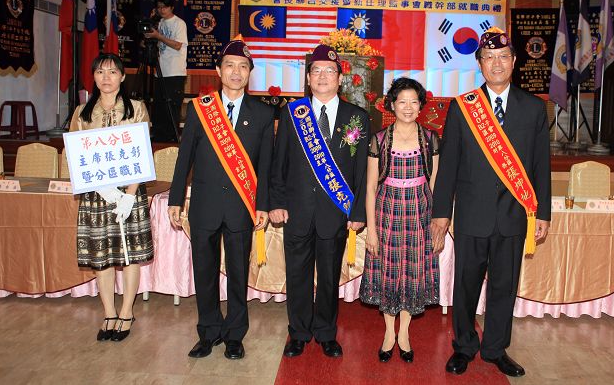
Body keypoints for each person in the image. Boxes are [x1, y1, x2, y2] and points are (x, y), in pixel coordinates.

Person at [432, 27, 551, 378]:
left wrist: (542, 212)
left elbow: (541, 165)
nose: (496, 64)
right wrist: (441, 213)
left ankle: (496, 348)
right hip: (472, 214)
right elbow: (449, 165)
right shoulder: (463, 107)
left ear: (514, 62)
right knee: (465, 285)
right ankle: (464, 346)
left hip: (514, 215)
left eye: (503, 57)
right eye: (489, 58)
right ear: (480, 64)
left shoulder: (534, 108)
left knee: (504, 286)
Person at [168, 40, 273, 360]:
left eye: (243, 67)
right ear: (218, 70)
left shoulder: (264, 113)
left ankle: (235, 335)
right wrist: (175, 199)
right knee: (205, 271)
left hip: (242, 206)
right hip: (204, 205)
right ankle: (209, 331)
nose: (236, 72)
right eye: (230, 65)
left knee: (239, 273)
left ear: (250, 73)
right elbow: (184, 157)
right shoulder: (200, 108)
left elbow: (266, 167)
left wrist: (263, 205)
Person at [269, 44, 370, 358]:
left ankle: (326, 332)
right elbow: (279, 162)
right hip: (297, 210)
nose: (323, 76)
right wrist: (276, 202)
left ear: (340, 78)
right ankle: (298, 333)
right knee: (297, 275)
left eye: (330, 71)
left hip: (335, 212)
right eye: (316, 71)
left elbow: (361, 171)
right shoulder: (292, 114)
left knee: (328, 277)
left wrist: (357, 210)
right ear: (308, 78)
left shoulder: (357, 117)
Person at [69, 53, 153, 342]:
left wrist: (128, 196)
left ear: (122, 76)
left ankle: (127, 311)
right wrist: (101, 188)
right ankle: (108, 312)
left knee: (130, 256)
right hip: (96, 195)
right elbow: (75, 156)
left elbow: (142, 155)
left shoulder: (136, 109)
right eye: (100, 72)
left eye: (113, 72)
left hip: (129, 193)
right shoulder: (82, 112)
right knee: (101, 256)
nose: (106, 77)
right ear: (93, 77)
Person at [359, 77, 440, 364]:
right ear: (392, 105)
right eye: (402, 101)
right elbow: (371, 187)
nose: (408, 107)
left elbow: (435, 183)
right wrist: (371, 230)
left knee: (412, 274)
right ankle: (388, 333)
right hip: (387, 214)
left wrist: (437, 223)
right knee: (389, 272)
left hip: (420, 215)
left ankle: (404, 333)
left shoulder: (430, 139)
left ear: (421, 105)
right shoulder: (379, 139)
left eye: (414, 102)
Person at [144, 0, 188, 142]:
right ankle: (158, 135)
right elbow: (159, 44)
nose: (162, 10)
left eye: (165, 7)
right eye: (159, 7)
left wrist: (158, 36)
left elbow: (177, 45)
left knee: (172, 105)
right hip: (160, 71)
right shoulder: (160, 22)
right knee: (159, 106)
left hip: (175, 72)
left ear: (172, 7)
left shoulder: (179, 23)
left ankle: (171, 137)